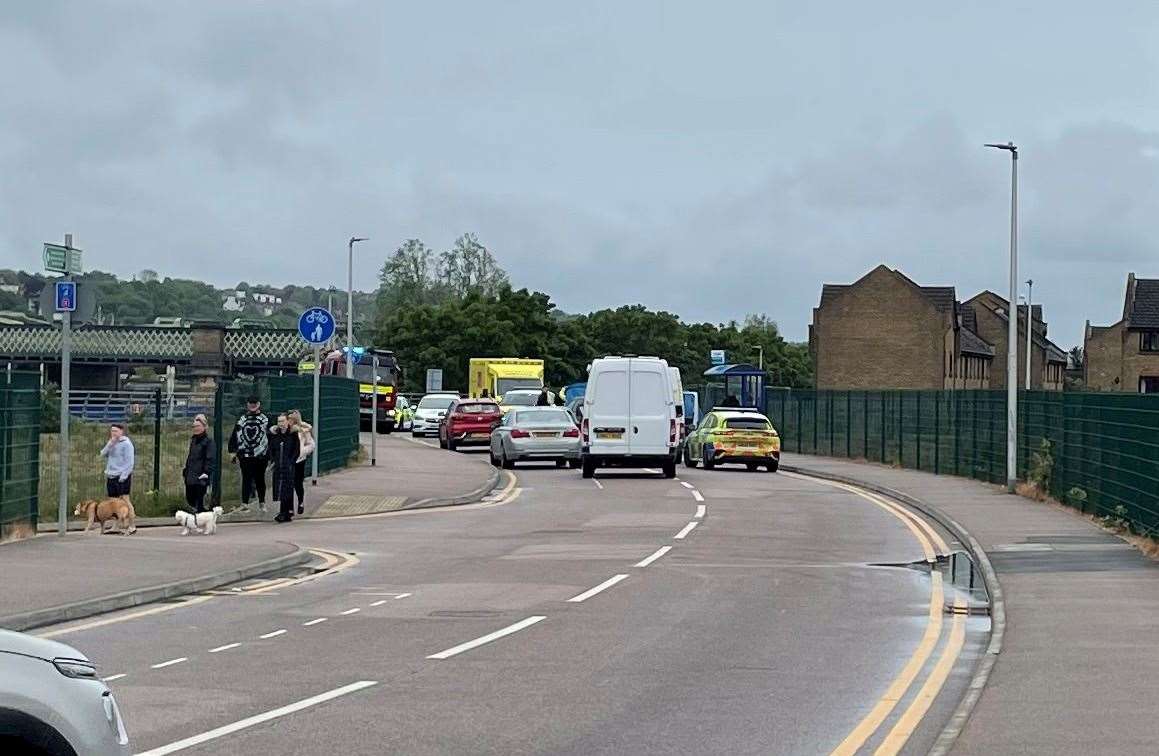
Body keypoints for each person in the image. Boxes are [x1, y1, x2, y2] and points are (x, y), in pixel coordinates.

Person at [228, 396, 269, 512]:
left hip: (261, 455)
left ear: (259, 404)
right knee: (246, 478)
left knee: (260, 479)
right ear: (247, 404)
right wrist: (232, 451)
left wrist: (270, 454)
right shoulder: (241, 419)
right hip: (245, 455)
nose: (252, 405)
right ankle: (245, 503)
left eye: (254, 403)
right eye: (250, 403)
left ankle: (262, 502)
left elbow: (271, 435)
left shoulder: (266, 419)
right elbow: (234, 435)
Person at [267, 413, 301, 523]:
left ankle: (285, 512)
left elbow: (296, 450)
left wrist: (291, 462)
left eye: (282, 421)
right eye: (279, 422)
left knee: (287, 487)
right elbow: (271, 449)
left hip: (288, 465)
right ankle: (286, 512)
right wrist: (273, 460)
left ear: (287, 422)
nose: (281, 424)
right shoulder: (274, 435)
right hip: (278, 465)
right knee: (280, 487)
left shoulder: (292, 434)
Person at [181, 414, 216, 513]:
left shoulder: (209, 442)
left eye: (198, 426)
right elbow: (191, 456)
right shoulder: (193, 440)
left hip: (201, 476)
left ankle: (201, 520)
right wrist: (185, 471)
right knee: (190, 498)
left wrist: (206, 472)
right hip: (190, 475)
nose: (195, 428)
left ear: (204, 427)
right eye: (194, 426)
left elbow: (210, 458)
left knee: (199, 501)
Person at [287, 409, 315, 516]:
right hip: (288, 460)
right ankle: (289, 508)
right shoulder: (284, 429)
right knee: (288, 484)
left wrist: (302, 452)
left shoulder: (304, 429)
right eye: (289, 419)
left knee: (297, 483)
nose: (290, 421)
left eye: (293, 419)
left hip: (299, 460)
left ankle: (301, 502)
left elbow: (311, 445)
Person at [99, 423, 135, 499]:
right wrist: (110, 444)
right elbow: (103, 454)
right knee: (112, 500)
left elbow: (129, 462)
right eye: (112, 431)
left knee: (124, 500)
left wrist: (123, 477)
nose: (113, 433)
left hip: (121, 476)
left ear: (121, 432)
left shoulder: (127, 444)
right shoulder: (111, 442)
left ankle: (131, 511)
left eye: (116, 431)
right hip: (111, 475)